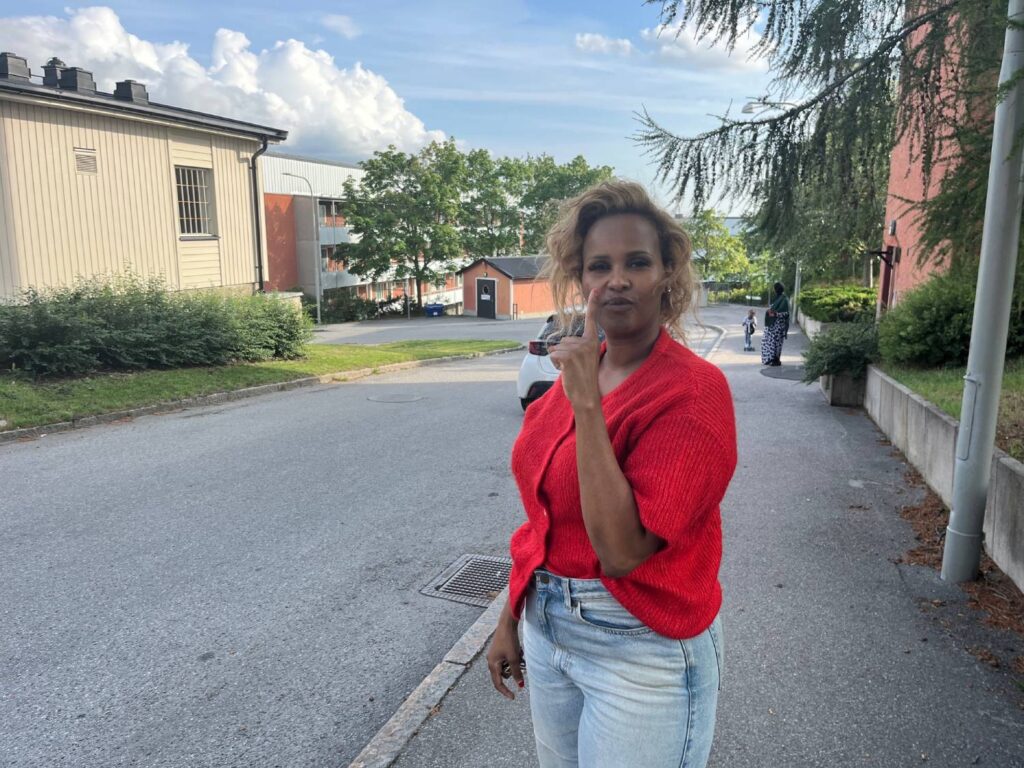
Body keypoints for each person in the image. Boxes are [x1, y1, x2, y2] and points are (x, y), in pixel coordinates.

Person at [486, 180, 738, 768]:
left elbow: (622, 551)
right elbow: (542, 523)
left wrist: (587, 404)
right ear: (581, 279)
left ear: (667, 273)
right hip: (548, 633)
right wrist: (509, 618)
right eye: (600, 265)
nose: (617, 279)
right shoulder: (579, 375)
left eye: (637, 263)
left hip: (642, 647)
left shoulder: (693, 392)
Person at [761, 282, 790, 366]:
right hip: (771, 325)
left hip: (778, 326)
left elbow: (786, 313)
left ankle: (775, 360)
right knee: (767, 342)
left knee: (776, 343)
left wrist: (775, 314)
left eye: (775, 288)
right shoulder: (777, 298)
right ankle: (769, 359)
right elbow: (772, 308)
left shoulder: (784, 299)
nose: (774, 290)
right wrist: (769, 312)